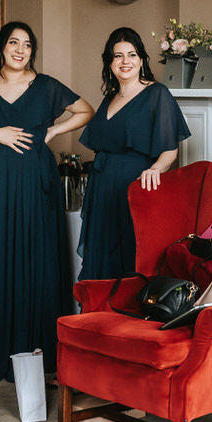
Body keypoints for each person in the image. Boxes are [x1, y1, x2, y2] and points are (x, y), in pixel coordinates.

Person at [0, 21, 94, 381]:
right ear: (0, 48)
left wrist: (53, 131)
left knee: (37, 256)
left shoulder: (46, 87)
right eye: (13, 43)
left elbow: (85, 110)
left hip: (36, 183)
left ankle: (37, 347)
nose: (20, 49)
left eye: (28, 45)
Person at [77, 27, 190, 281]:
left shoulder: (156, 94)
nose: (125, 61)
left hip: (134, 187)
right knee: (101, 263)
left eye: (132, 54)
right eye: (118, 56)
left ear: (141, 60)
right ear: (110, 62)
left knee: (130, 259)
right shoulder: (109, 99)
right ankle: (97, 319)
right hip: (102, 189)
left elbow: (170, 149)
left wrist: (155, 169)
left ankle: (124, 319)